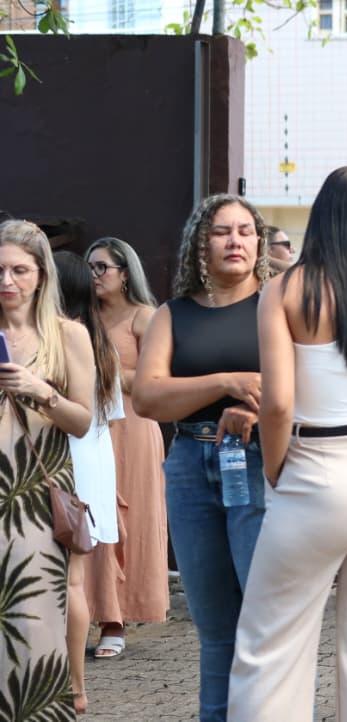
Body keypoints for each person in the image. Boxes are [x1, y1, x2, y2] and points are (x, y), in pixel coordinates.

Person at [226, 165, 347, 720]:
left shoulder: (287, 288)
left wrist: (275, 471)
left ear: (322, 212)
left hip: (319, 466)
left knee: (271, 644)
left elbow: (278, 404)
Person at [133, 195, 272, 722]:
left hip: (260, 463)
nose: (235, 240)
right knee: (215, 629)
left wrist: (257, 408)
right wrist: (225, 382)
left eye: (245, 230)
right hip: (190, 464)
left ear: (258, 242)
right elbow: (148, 398)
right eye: (221, 231)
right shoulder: (173, 314)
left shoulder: (277, 307)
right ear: (200, 242)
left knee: (265, 620)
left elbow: (304, 386)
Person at [0, 220, 94, 719]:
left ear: (41, 275)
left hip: (35, 497)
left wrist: (42, 392)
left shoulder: (67, 335)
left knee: (34, 615)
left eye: (19, 270)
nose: (7, 281)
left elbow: (83, 421)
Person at [81, 236, 168, 661]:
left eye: (103, 267)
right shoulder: (81, 316)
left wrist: (104, 368)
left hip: (133, 427)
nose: (95, 275)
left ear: (125, 273)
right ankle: (94, 612)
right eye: (90, 267)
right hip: (90, 426)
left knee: (130, 518)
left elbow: (157, 380)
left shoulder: (144, 316)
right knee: (93, 517)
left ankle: (117, 620)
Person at [55, 250, 125, 715]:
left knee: (63, 583)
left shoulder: (58, 340)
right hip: (94, 469)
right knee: (74, 582)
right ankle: (77, 686)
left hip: (62, 469)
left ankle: (67, 683)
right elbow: (112, 417)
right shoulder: (101, 343)